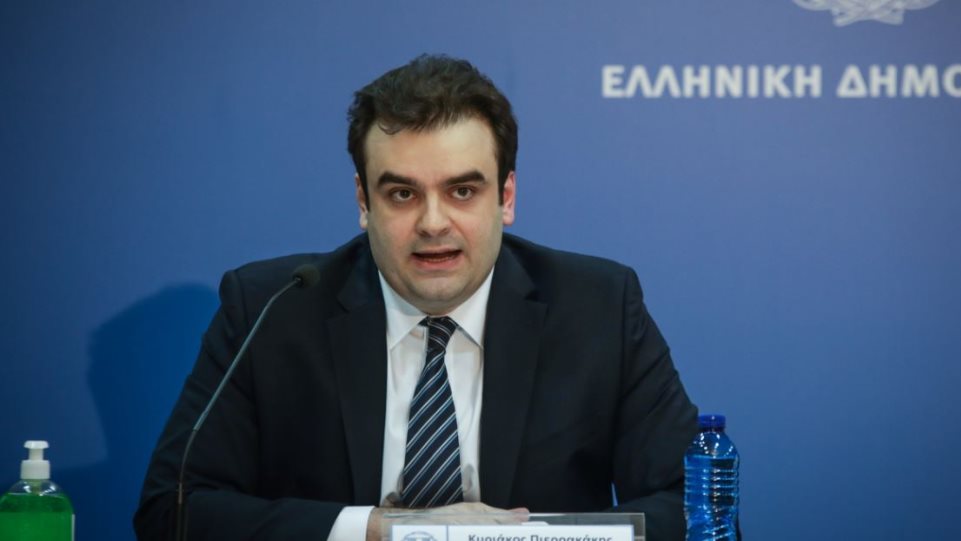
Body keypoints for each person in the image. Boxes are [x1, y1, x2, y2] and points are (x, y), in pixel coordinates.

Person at [134, 54, 698, 541]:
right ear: (364, 202)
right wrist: (380, 531)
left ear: (505, 197)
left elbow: (696, 508)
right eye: (402, 194)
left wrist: (512, 539)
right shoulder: (272, 309)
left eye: (462, 191)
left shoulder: (598, 308)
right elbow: (173, 511)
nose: (433, 222)